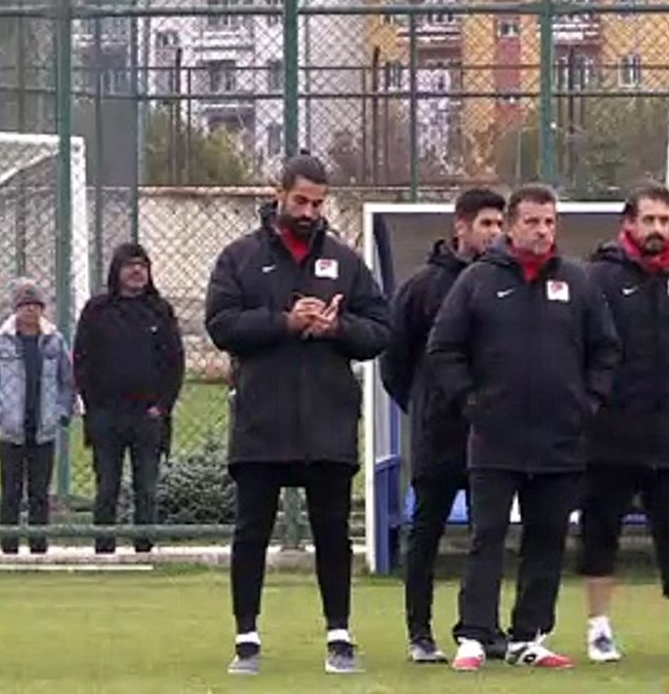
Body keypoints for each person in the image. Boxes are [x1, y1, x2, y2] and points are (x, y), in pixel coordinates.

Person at [205, 154, 390, 676]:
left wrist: (337, 329)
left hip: (328, 420)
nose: (309, 211)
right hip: (262, 419)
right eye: (301, 200)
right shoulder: (240, 258)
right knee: (252, 531)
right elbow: (220, 324)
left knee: (332, 531)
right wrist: (284, 322)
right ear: (279, 193)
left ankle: (339, 633)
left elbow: (379, 330)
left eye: (318, 202)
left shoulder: (346, 262)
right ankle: (246, 635)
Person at [428, 183, 621, 672]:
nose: (541, 230)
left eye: (550, 221)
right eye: (532, 221)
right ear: (512, 225)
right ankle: (474, 636)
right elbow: (443, 349)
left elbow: (606, 349)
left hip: (561, 438)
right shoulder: (477, 281)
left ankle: (529, 636)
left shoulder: (577, 282)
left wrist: (589, 401)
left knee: (547, 538)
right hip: (495, 436)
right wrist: (471, 401)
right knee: (487, 536)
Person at [579, 183, 669, 661]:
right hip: (609, 435)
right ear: (628, 224)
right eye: (648, 220)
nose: (657, 229)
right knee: (601, 533)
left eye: (664, 221)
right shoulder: (598, 279)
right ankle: (599, 627)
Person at [381, 188, 505, 664]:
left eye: (499, 224)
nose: (493, 233)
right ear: (461, 226)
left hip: (491, 435)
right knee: (426, 533)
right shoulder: (422, 287)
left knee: (486, 534)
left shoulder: (504, 284)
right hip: (437, 433)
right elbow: (395, 361)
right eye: (486, 224)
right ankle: (419, 632)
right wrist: (424, 403)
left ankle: (482, 628)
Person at [74, 243, 185, 555]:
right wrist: (93, 406)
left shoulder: (160, 311)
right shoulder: (97, 310)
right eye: (129, 265)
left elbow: (174, 362)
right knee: (107, 486)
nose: (137, 271)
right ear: (116, 270)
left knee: (146, 488)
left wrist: (161, 407)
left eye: (142, 265)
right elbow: (82, 360)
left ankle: (145, 547)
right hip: (107, 415)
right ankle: (104, 548)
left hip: (147, 416)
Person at [0, 278, 76, 555]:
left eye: (36, 305)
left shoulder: (54, 341)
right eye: (25, 305)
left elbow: (67, 381)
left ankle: (38, 546)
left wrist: (62, 413)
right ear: (15, 309)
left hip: (44, 428)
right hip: (11, 430)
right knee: (10, 491)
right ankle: (8, 547)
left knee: (40, 493)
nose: (30, 311)